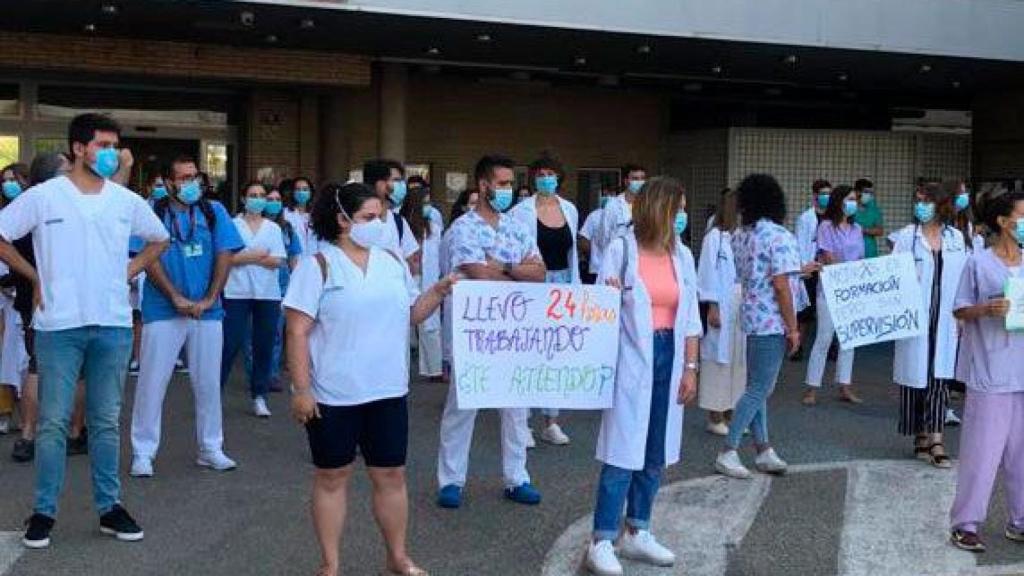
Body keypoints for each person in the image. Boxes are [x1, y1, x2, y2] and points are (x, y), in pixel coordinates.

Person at [0, 113, 170, 548]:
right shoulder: (44, 196)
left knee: (106, 421)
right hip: (59, 324)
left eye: (115, 145)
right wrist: (34, 276)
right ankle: (43, 512)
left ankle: (110, 508)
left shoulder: (124, 200)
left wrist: (129, 270)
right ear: (78, 148)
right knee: (54, 423)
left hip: (112, 324)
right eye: (102, 145)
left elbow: (159, 238)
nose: (111, 153)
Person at [285, 182, 453, 576]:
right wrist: (302, 389)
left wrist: (439, 291)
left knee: (391, 474)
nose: (379, 224)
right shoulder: (318, 265)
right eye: (369, 218)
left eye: (381, 216)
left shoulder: (391, 263)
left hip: (387, 389)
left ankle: (397, 557)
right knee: (332, 476)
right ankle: (330, 563)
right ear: (342, 220)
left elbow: (411, 314)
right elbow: (297, 331)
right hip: (333, 393)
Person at [583, 176, 701, 576]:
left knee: (654, 449)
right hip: (631, 357)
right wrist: (609, 294)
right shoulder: (622, 250)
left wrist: (690, 367)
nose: (684, 216)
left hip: (670, 353)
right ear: (660, 209)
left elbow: (691, 319)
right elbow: (597, 314)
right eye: (679, 208)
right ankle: (601, 538)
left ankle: (638, 530)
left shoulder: (682, 256)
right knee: (621, 450)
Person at [436, 154, 546, 509]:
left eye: (510, 184)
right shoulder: (463, 228)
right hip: (475, 333)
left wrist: (507, 266)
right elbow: (479, 274)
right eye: (501, 184)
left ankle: (517, 478)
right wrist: (513, 272)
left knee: (515, 407)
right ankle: (450, 480)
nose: (507, 190)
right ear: (483, 185)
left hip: (513, 330)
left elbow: (540, 272)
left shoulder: (517, 227)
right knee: (463, 404)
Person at [129, 155, 243, 478]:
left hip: (208, 313)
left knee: (208, 383)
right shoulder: (154, 211)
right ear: (168, 182)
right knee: (153, 381)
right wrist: (176, 297)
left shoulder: (214, 210)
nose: (190, 184)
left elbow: (225, 254)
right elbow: (148, 259)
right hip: (163, 310)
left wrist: (209, 298)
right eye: (182, 178)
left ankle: (211, 448)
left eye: (194, 177)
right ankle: (143, 451)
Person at [947, 189, 1024, 553]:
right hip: (991, 370)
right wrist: (987, 310)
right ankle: (966, 523)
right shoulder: (979, 263)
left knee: (1022, 453)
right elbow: (960, 309)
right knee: (982, 451)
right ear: (1003, 222)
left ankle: (1019, 520)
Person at [714, 173, 803, 479]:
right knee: (759, 388)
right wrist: (793, 327)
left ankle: (764, 448)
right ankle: (728, 449)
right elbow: (782, 286)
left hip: (751, 315)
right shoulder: (778, 235)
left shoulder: (741, 235)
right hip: (772, 320)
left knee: (757, 387)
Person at [888, 180, 968, 469]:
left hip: (946, 319)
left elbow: (963, 279)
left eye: (926, 200)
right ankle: (920, 434)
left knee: (939, 379)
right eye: (918, 200)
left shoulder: (956, 238)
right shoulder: (908, 237)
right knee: (915, 379)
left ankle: (936, 438)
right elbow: (892, 276)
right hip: (915, 319)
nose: (920, 205)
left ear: (941, 204)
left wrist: (962, 315)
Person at [509, 155, 580, 446]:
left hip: (562, 285)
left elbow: (572, 251)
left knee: (556, 352)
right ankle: (522, 421)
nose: (546, 178)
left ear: (559, 177)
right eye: (540, 174)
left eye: (551, 173)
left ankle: (551, 420)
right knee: (529, 350)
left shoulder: (570, 210)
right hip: (533, 284)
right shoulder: (520, 212)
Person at [221, 181, 287, 418]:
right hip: (236, 292)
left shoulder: (273, 228)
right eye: (253, 195)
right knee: (230, 343)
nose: (258, 199)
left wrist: (246, 256)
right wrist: (259, 255)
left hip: (267, 295)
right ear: (243, 198)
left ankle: (259, 395)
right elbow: (228, 258)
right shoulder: (232, 224)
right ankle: (214, 393)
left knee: (264, 346)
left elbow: (277, 261)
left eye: (262, 195)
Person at [802, 185, 865, 406]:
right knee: (824, 338)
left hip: (852, 291)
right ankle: (811, 388)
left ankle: (844, 385)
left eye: (855, 200)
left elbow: (860, 260)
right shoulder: (826, 227)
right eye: (849, 199)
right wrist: (849, 271)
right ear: (839, 201)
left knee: (849, 340)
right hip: (829, 290)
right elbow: (827, 257)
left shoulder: (857, 228)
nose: (853, 203)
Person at [697, 188, 745, 436]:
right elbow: (706, 272)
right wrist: (712, 306)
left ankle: (733, 412)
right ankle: (715, 416)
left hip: (741, 303)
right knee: (717, 360)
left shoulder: (742, 236)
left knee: (738, 359)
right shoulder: (714, 237)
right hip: (722, 303)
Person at [399, 182, 444, 381]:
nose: (429, 207)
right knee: (402, 326)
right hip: (407, 279)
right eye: (424, 203)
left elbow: (440, 254)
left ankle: (434, 369)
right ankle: (401, 372)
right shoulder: (401, 226)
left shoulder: (433, 228)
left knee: (430, 326)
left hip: (429, 279)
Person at [0, 163, 30, 435]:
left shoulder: (36, 215)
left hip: (29, 299)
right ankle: (7, 412)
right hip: (6, 299)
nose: (8, 185)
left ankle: (29, 419)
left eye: (14, 179)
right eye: (4, 181)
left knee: (27, 363)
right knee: (8, 360)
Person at [791, 179, 829, 361]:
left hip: (827, 268)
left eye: (829, 194)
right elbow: (799, 244)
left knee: (828, 309)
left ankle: (830, 346)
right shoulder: (805, 218)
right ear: (814, 196)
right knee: (805, 312)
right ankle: (797, 346)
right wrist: (802, 268)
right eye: (823, 194)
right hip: (810, 268)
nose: (826, 197)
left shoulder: (831, 217)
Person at [363, 160, 420, 272]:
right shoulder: (357, 223)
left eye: (401, 181)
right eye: (396, 180)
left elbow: (413, 264)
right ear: (379, 184)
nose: (401, 186)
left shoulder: (399, 222)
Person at [596, 164, 646, 258]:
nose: (640, 182)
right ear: (626, 182)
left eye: (642, 178)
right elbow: (603, 239)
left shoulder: (649, 205)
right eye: (635, 179)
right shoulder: (613, 206)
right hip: (618, 260)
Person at [579, 187, 614, 285]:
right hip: (597, 269)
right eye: (604, 194)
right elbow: (583, 240)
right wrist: (593, 255)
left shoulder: (623, 215)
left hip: (616, 269)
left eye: (611, 195)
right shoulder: (594, 216)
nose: (608, 197)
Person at [283, 176, 318, 255]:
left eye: (305, 189)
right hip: (294, 260)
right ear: (292, 192)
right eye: (298, 189)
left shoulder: (316, 214)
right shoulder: (285, 213)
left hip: (314, 261)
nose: (301, 192)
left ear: (310, 192)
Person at [853, 178, 884, 258]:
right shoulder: (850, 207)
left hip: (870, 252)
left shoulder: (873, 208)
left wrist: (862, 229)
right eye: (866, 192)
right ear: (857, 192)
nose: (869, 195)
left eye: (870, 193)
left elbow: (880, 231)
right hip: (853, 253)